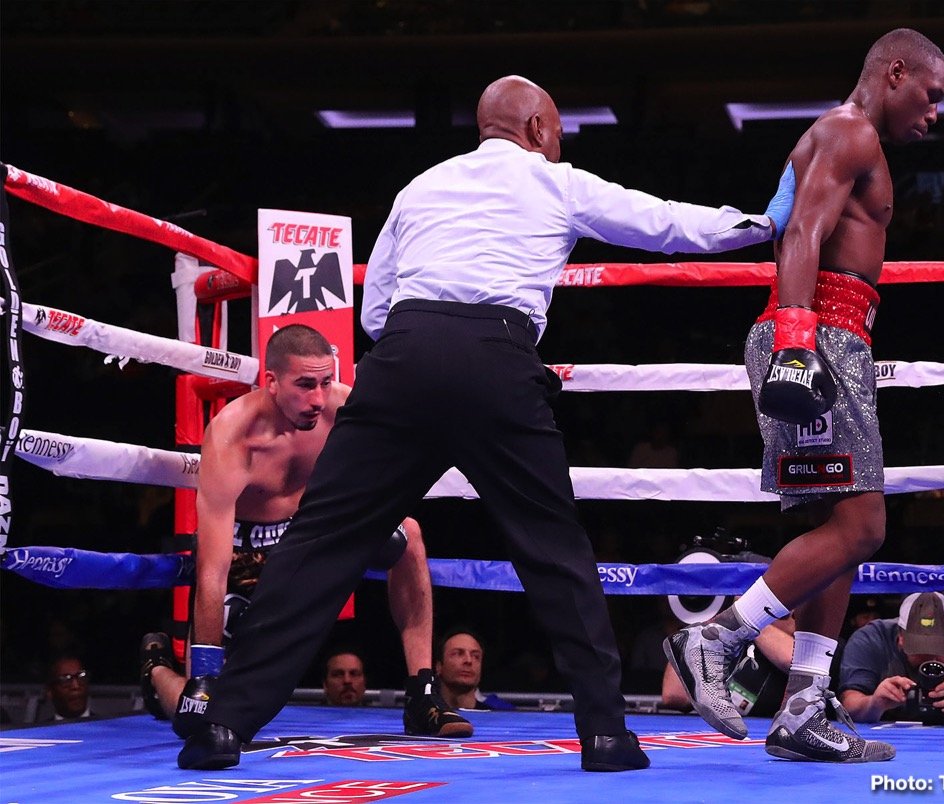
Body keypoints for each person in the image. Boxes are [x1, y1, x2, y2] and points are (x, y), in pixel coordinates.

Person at [177, 73, 793, 772]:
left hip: (403, 359)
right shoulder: (554, 182)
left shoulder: (421, 186)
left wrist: (427, 342)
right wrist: (763, 222)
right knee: (554, 549)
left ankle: (224, 725)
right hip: (496, 363)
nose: (558, 145)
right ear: (535, 128)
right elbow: (668, 224)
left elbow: (376, 309)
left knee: (319, 542)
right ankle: (607, 736)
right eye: (556, 131)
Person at [664, 27, 944, 763]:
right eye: (932, 95)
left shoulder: (848, 137)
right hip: (818, 330)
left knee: (834, 531)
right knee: (864, 527)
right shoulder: (847, 133)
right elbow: (803, 236)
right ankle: (715, 639)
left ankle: (801, 708)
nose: (935, 114)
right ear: (895, 73)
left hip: (834, 331)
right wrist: (797, 342)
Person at [142, 325, 469, 742]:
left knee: (407, 533)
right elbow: (212, 564)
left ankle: (423, 694)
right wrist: (205, 670)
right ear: (272, 382)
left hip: (312, 537)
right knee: (202, 715)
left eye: (325, 382)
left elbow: (387, 476)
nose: (317, 398)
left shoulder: (343, 409)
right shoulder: (232, 436)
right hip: (245, 553)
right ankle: (156, 671)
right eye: (305, 384)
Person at [836, 592, 944, 726]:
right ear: (901, 637)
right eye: (919, 648)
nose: (929, 657)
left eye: (938, 648)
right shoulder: (870, 639)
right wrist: (874, 703)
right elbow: (850, 704)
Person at [662, 617, 793, 719]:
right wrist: (700, 624)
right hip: (715, 740)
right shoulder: (724, 638)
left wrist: (749, 618)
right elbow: (674, 695)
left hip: (761, 742)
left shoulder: (803, 646)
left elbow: (790, 658)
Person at [436, 630, 513, 711]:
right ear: (439, 666)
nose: (468, 660)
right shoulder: (425, 715)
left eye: (476, 656)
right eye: (458, 653)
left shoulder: (500, 716)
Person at [43, 655, 92, 721]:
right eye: (66, 680)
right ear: (49, 691)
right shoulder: (40, 730)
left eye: (80, 676)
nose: (76, 686)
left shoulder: (105, 728)